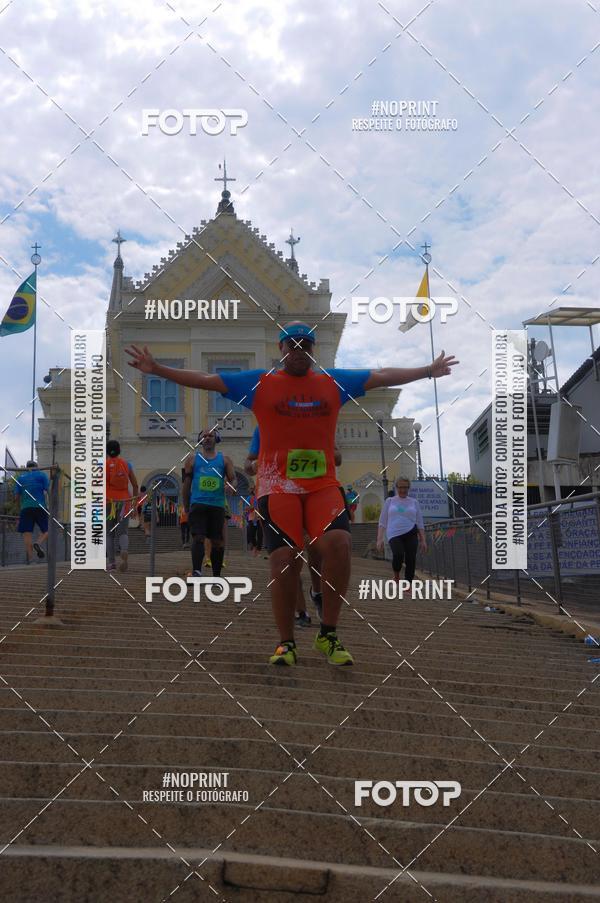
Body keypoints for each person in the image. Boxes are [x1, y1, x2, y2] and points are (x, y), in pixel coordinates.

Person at [125, 323, 457, 666]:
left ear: (313, 350)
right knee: (283, 561)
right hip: (277, 486)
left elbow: (381, 375)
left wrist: (428, 371)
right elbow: (205, 380)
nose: (299, 350)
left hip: (322, 486)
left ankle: (328, 633)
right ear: (281, 348)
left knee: (340, 544)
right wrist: (157, 370)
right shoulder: (260, 382)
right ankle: (286, 642)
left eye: (306, 345)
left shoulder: (332, 382)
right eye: (292, 344)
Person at [182, 428, 236, 579]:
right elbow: (186, 484)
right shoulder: (192, 460)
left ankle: (217, 575)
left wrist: (232, 486)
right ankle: (197, 571)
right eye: (204, 436)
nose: (207, 438)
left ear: (216, 438)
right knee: (198, 537)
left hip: (217, 505)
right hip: (198, 504)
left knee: (217, 541)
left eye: (210, 435)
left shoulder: (225, 460)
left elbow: (234, 478)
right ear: (200, 440)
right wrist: (186, 505)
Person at [377, 476, 427, 589]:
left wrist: (423, 540)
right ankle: (396, 576)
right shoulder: (390, 501)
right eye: (400, 487)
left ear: (409, 488)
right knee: (398, 554)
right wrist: (379, 539)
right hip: (394, 534)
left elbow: (420, 522)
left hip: (411, 533)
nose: (403, 490)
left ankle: (408, 584)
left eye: (405, 487)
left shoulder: (414, 502)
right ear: (396, 487)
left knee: (411, 558)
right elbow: (382, 521)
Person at [106, 439, 139, 572]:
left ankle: (112, 563)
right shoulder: (127, 465)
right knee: (123, 531)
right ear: (119, 450)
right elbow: (135, 485)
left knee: (109, 533)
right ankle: (124, 550)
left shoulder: (104, 465)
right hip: (124, 501)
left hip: (109, 501)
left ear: (107, 451)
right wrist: (134, 503)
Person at [15, 461, 50, 564]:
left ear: (26, 468)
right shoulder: (42, 475)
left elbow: (16, 497)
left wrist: (20, 508)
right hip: (40, 506)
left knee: (27, 534)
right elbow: (48, 490)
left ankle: (31, 560)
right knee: (46, 531)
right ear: (37, 467)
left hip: (25, 508)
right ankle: (38, 543)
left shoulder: (20, 478)